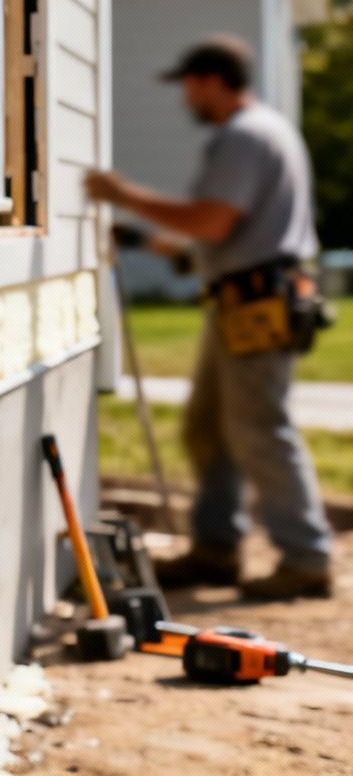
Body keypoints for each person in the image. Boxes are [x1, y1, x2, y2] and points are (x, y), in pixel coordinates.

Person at [85, 34, 332, 601]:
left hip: (257, 307)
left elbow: (214, 223)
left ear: (213, 81)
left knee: (258, 431)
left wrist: (122, 194)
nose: (186, 99)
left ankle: (307, 558)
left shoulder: (243, 137)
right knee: (208, 429)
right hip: (245, 300)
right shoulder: (265, 132)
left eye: (190, 86)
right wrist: (146, 239)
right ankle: (217, 549)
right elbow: (226, 238)